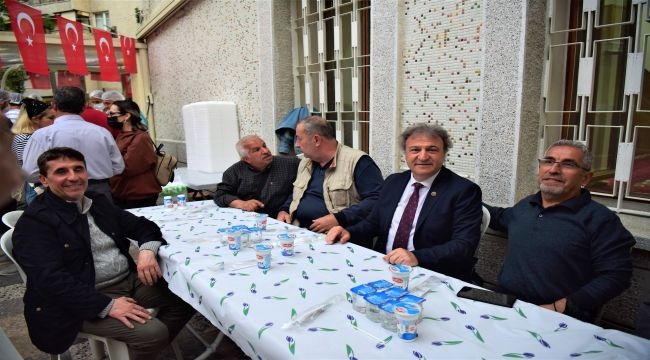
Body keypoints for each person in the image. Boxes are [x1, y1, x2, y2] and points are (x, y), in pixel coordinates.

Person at [11, 147, 195, 358]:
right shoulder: (36, 222)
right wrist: (106, 306)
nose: (73, 177)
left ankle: (140, 351)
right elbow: (49, 280)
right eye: (61, 172)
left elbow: (142, 226)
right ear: (44, 180)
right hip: (79, 298)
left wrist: (146, 251)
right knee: (153, 333)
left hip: (128, 281)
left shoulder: (94, 202)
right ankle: (147, 344)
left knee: (190, 296)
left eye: (78, 169)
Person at [485, 140, 635, 322]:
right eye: (548, 161)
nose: (554, 169)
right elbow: (498, 217)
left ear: (586, 178)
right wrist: (463, 195)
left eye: (568, 164)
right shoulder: (527, 205)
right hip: (503, 303)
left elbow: (617, 275)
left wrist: (561, 306)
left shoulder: (601, 220)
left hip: (555, 316)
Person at [327, 124, 483, 282]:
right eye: (415, 150)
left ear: (444, 154)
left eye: (432, 150)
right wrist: (349, 232)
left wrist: (416, 257)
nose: (423, 156)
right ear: (406, 154)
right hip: (384, 265)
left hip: (429, 273)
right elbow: (373, 223)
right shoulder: (394, 182)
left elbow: (464, 245)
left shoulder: (464, 191)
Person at [276, 116, 383, 233]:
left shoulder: (358, 162)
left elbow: (376, 199)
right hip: (299, 231)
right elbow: (296, 193)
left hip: (338, 237)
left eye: (299, 139)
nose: (296, 145)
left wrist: (339, 218)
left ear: (316, 140)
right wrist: (284, 210)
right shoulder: (305, 162)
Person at [21, 86, 124, 201]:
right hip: (99, 190)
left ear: (54, 105)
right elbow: (118, 167)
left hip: (60, 192)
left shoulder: (42, 135)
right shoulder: (102, 133)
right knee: (101, 219)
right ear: (84, 106)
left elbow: (30, 173)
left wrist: (54, 177)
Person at [214, 135, 300, 217]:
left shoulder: (290, 164)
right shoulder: (234, 172)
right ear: (246, 159)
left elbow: (301, 190)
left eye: (264, 146)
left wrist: (285, 209)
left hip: (282, 216)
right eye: (257, 150)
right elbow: (221, 195)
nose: (265, 151)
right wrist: (241, 204)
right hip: (250, 219)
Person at [108, 100, 161, 209]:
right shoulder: (122, 134)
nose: (109, 117)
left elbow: (128, 167)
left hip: (138, 195)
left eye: (113, 114)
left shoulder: (140, 138)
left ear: (127, 116)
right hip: (123, 192)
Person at [10, 99, 56, 206]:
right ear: (35, 119)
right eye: (50, 118)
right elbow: (25, 167)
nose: (54, 121)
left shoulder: (39, 135)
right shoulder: (24, 137)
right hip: (33, 187)